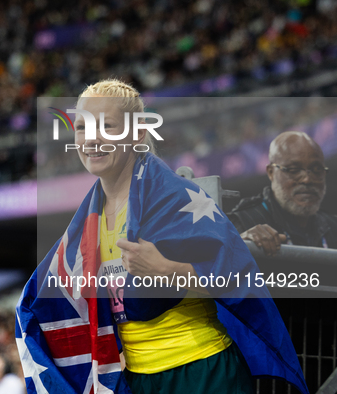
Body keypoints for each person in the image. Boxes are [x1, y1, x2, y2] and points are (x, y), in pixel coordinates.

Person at [16, 79, 307, 394]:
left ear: (138, 133)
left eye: (107, 126)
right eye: (83, 128)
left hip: (203, 371)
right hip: (140, 380)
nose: (92, 139)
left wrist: (168, 271)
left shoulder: (177, 199)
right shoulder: (86, 222)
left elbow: (236, 278)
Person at [228, 131, 337, 255]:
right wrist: (238, 247)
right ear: (271, 172)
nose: (307, 179)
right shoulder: (243, 223)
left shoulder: (333, 227)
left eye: (317, 169)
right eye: (293, 169)